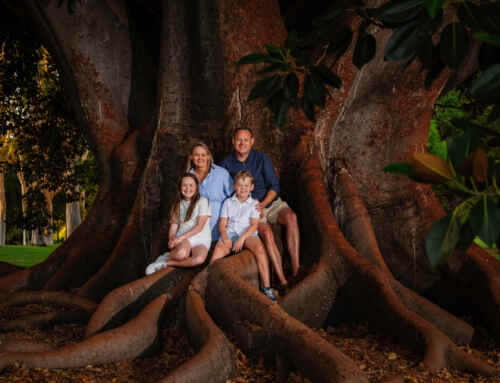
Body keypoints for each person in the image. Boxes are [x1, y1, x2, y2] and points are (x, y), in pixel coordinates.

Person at [220, 128, 300, 285]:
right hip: (250, 210)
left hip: (269, 202)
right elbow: (228, 194)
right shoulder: (226, 164)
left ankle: (296, 269)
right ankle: (283, 280)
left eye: (245, 140)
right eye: (239, 140)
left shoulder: (261, 158)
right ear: (233, 141)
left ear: (252, 141)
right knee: (267, 234)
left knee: (291, 217)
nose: (242, 143)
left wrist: (262, 205)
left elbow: (274, 186)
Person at [210, 170, 277, 301]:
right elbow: (222, 223)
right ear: (234, 186)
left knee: (260, 250)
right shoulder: (228, 203)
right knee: (217, 253)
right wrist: (225, 237)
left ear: (251, 187)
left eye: (246, 185)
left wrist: (241, 239)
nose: (243, 188)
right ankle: (209, 284)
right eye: (240, 185)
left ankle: (267, 287)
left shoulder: (254, 204)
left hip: (247, 233)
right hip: (230, 232)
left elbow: (253, 225)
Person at [145, 173, 211, 274]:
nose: (188, 188)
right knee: (181, 255)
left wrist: (179, 239)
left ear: (196, 187)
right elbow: (174, 225)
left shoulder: (203, 201)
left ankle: (167, 262)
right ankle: (169, 255)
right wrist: (172, 238)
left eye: (191, 185)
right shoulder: (177, 204)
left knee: (199, 259)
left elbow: (199, 227)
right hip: (185, 237)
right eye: (184, 185)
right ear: (180, 188)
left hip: (201, 237)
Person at [186, 142, 233, 243]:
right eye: (196, 155)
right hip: (197, 227)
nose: (200, 158)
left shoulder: (221, 173)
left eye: (203, 155)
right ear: (191, 157)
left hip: (219, 227)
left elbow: (234, 197)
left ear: (208, 156)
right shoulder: (188, 176)